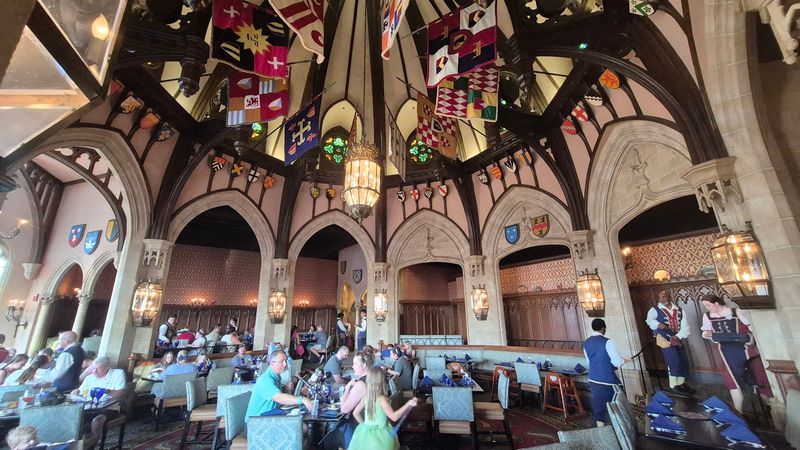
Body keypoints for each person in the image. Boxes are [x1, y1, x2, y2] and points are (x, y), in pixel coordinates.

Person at [700, 294, 773, 412]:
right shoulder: (708, 316)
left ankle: (772, 408)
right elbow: (705, 332)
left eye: (708, 305)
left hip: (746, 352)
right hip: (726, 353)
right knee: (733, 382)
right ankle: (739, 412)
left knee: (757, 379)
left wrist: (749, 338)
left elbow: (753, 328)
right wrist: (708, 334)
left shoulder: (736, 312)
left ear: (716, 303)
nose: (707, 308)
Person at [348, 366, 419, 450]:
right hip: (381, 439)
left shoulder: (366, 397)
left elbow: (355, 413)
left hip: (366, 437)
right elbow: (394, 417)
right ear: (382, 380)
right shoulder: (381, 399)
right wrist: (408, 404)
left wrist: (365, 426)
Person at [583, 319, 630, 426]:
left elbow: (589, 361)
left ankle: (602, 429)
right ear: (603, 328)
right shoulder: (607, 341)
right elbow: (616, 362)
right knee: (618, 404)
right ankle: (622, 428)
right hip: (607, 379)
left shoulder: (586, 343)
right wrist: (624, 360)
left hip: (593, 377)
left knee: (598, 405)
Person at [646, 290, 693, 394]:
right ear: (658, 298)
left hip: (677, 338)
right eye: (662, 297)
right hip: (664, 338)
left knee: (682, 360)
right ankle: (674, 385)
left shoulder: (679, 310)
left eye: (666, 296)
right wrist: (659, 324)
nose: (664, 298)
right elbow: (649, 320)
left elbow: (685, 325)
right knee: (673, 360)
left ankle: (681, 383)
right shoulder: (655, 310)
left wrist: (677, 336)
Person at [245, 350, 312, 419]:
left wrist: (288, 389)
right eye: (282, 362)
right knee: (302, 426)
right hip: (255, 423)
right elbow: (279, 398)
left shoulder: (277, 377)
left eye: (286, 361)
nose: (285, 364)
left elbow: (282, 399)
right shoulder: (265, 380)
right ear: (272, 364)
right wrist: (303, 399)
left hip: (269, 417)